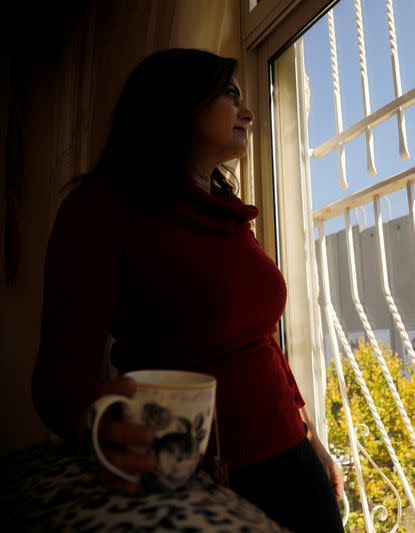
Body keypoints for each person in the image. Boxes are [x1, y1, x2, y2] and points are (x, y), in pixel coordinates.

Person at [32, 48, 345, 533]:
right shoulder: (101, 209)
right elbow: (58, 378)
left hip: (294, 460)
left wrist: (309, 437)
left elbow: (260, 344)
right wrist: (95, 424)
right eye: (230, 93)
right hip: (200, 477)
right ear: (177, 100)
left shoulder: (226, 209)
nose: (248, 112)